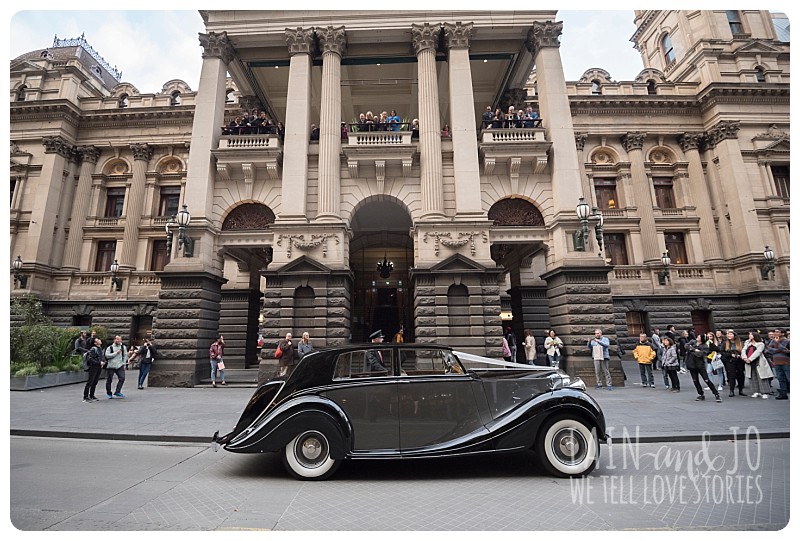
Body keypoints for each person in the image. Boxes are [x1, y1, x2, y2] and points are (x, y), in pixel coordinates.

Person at [685, 333, 721, 402]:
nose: (697, 337)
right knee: (695, 380)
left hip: (700, 365)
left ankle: (716, 394)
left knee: (706, 380)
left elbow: (701, 354)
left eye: (699, 336)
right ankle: (701, 394)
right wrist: (694, 349)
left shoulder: (704, 346)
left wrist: (691, 350)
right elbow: (686, 346)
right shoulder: (693, 342)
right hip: (692, 364)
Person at [742, 331, 771, 399]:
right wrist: (745, 358)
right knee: (752, 376)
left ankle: (764, 392)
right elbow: (743, 350)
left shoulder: (760, 344)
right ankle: (755, 391)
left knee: (761, 377)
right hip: (749, 362)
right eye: (749, 334)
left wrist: (750, 359)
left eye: (751, 334)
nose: (749, 336)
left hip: (758, 362)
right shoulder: (747, 343)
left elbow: (758, 352)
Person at [720, 329, 745, 397]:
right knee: (732, 376)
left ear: (734, 335)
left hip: (739, 361)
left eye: (731, 334)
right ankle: (731, 391)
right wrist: (730, 355)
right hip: (730, 361)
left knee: (740, 375)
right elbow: (722, 352)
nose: (729, 335)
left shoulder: (740, 343)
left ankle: (741, 390)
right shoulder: (725, 343)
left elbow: (744, 351)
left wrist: (740, 355)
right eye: (728, 334)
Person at [766, 328, 790, 400]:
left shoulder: (787, 341)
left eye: (777, 332)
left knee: (789, 378)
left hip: (786, 362)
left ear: (782, 333)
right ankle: (783, 394)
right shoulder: (773, 341)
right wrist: (779, 350)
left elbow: (787, 351)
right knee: (780, 378)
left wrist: (777, 344)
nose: (775, 333)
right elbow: (768, 349)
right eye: (775, 332)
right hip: (776, 362)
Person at [82, 337, 105, 402]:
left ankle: (92, 395)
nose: (100, 340)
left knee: (95, 381)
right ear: (95, 343)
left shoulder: (100, 349)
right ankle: (85, 397)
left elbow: (102, 357)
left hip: (99, 367)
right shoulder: (93, 349)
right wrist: (99, 362)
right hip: (93, 367)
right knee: (90, 382)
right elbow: (90, 359)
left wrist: (103, 362)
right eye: (98, 340)